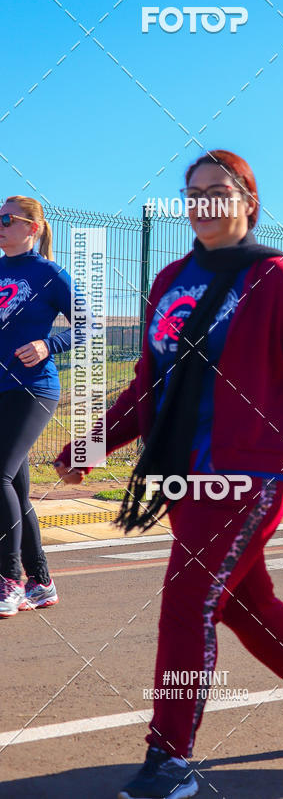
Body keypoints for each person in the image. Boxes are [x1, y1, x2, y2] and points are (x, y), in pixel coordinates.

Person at [55, 150, 283, 799]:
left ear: (249, 200)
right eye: (193, 193)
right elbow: (148, 387)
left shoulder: (280, 283)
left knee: (190, 600)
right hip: (182, 475)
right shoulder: (170, 280)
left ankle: (170, 759)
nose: (204, 204)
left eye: (219, 192)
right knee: (242, 603)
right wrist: (91, 445)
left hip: (250, 471)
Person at [0, 196, 71, 617]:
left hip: (34, 388)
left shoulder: (48, 274)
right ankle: (41, 582)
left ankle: (9, 579)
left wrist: (50, 343)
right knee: (16, 489)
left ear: (33, 227)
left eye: (7, 218)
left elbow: (89, 322)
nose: (0, 224)